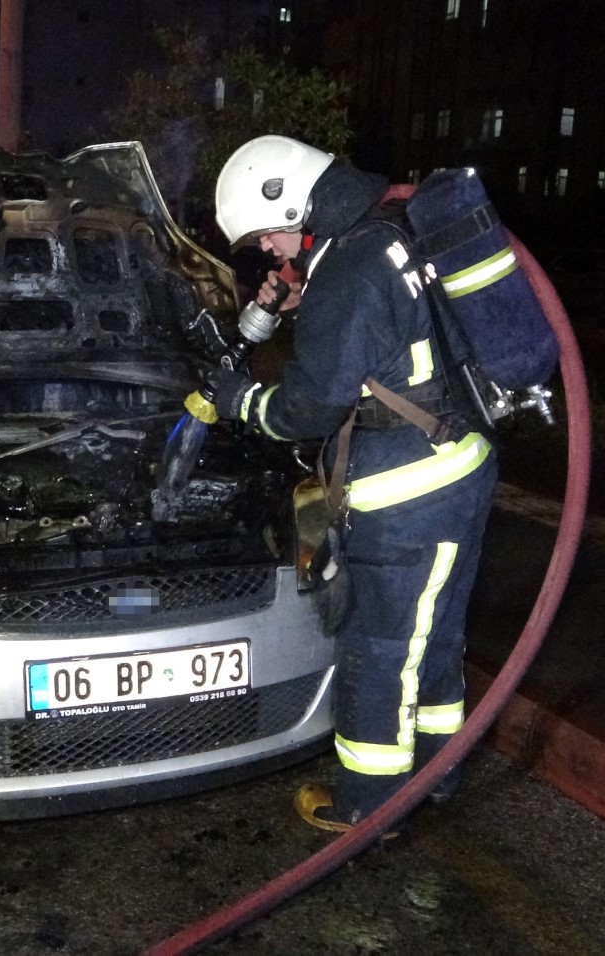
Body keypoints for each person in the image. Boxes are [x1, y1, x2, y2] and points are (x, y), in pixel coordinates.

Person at [203, 135, 498, 834]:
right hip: (459, 466)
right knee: (434, 637)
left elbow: (307, 408)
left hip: (406, 499)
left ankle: (369, 805)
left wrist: (243, 401)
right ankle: (438, 773)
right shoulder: (386, 233)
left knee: (380, 648)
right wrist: (309, 301)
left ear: (296, 203)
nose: (272, 253)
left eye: (269, 236)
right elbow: (384, 338)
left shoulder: (350, 272)